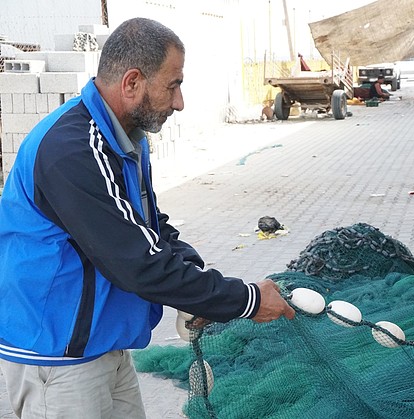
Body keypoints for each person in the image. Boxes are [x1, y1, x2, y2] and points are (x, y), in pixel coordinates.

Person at [0, 17, 295, 418]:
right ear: (132, 83)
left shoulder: (125, 138)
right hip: (56, 358)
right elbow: (136, 263)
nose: (179, 102)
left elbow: (148, 224)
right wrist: (247, 300)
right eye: (173, 86)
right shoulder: (73, 150)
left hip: (103, 346)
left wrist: (192, 275)